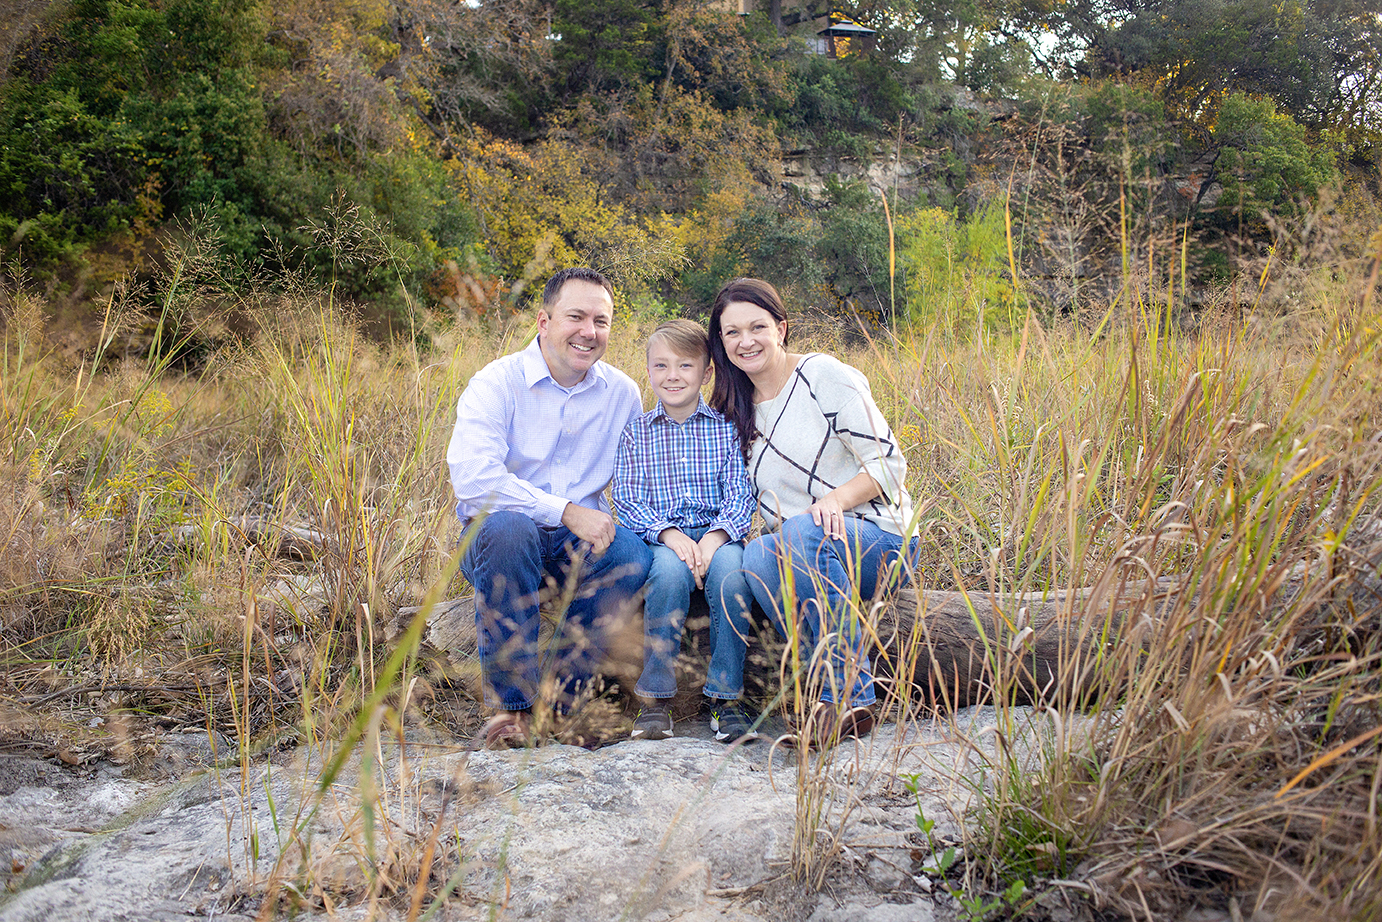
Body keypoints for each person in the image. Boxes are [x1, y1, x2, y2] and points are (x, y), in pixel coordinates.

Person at [447, 268, 652, 749]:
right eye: (575, 316)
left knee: (630, 555)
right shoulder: (496, 382)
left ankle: (560, 707)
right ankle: (510, 711)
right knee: (510, 528)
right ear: (544, 320)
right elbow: (475, 479)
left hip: (574, 546)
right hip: (498, 542)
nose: (588, 332)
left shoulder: (621, 393)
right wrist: (563, 510)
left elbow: (638, 482)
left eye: (600, 321)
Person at [707, 278, 916, 749]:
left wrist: (835, 500)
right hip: (798, 553)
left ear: (781, 328)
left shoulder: (825, 376)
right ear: (721, 342)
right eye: (732, 332)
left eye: (757, 326)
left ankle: (847, 696)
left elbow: (890, 464)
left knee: (800, 533)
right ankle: (822, 694)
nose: (746, 341)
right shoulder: (731, 407)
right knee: (756, 558)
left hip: (880, 538)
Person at [612, 319, 759, 743]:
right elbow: (626, 495)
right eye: (661, 366)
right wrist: (669, 535)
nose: (672, 376)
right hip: (662, 538)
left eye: (685, 366)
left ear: (706, 372)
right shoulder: (637, 432)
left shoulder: (725, 429)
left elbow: (740, 493)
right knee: (669, 575)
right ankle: (656, 698)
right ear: (648, 370)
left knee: (733, 574)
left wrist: (715, 537)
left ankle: (725, 697)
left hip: (719, 533)